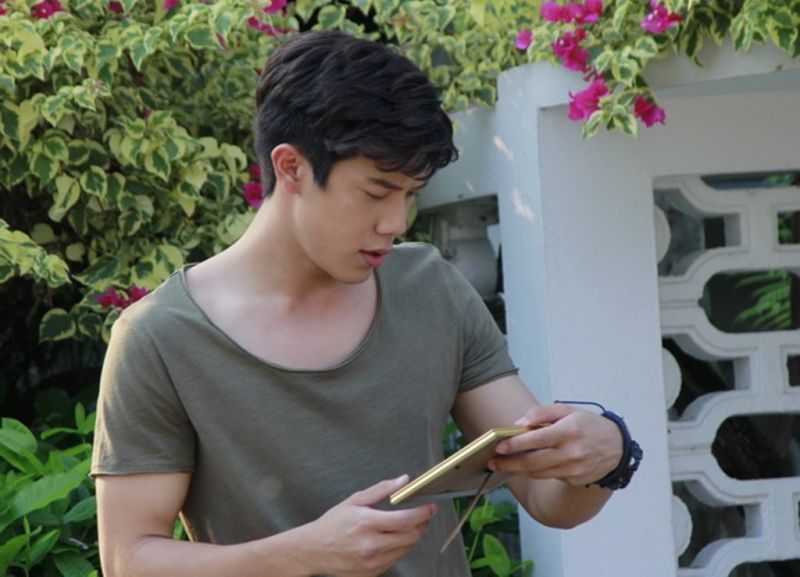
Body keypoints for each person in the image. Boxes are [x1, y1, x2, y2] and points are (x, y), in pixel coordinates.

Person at [91, 30, 639, 577]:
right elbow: (128, 561)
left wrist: (607, 458)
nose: (395, 222)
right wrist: (305, 553)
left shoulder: (430, 288)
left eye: (410, 194)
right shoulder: (160, 338)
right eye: (376, 193)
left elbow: (547, 499)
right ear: (291, 168)